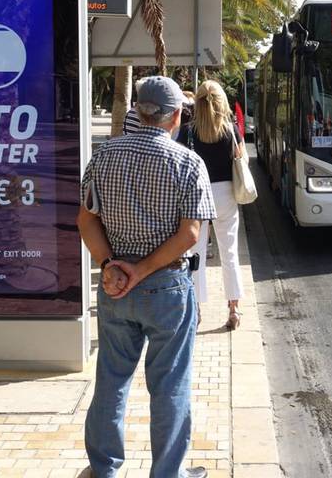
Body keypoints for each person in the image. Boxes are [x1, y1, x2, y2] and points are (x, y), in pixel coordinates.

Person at [77, 75, 216, 478]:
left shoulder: (104, 156)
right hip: (167, 288)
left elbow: (86, 220)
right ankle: (168, 473)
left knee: (111, 379)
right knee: (170, 384)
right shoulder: (188, 162)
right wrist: (142, 270)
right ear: (174, 117)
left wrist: (111, 267)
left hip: (115, 285)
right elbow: (190, 234)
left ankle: (104, 470)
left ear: (139, 111)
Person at [178, 80, 245, 330]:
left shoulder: (189, 131)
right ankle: (234, 309)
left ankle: (195, 310)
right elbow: (241, 158)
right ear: (221, 102)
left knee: (195, 255)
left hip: (197, 195)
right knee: (229, 252)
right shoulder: (229, 130)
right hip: (226, 194)